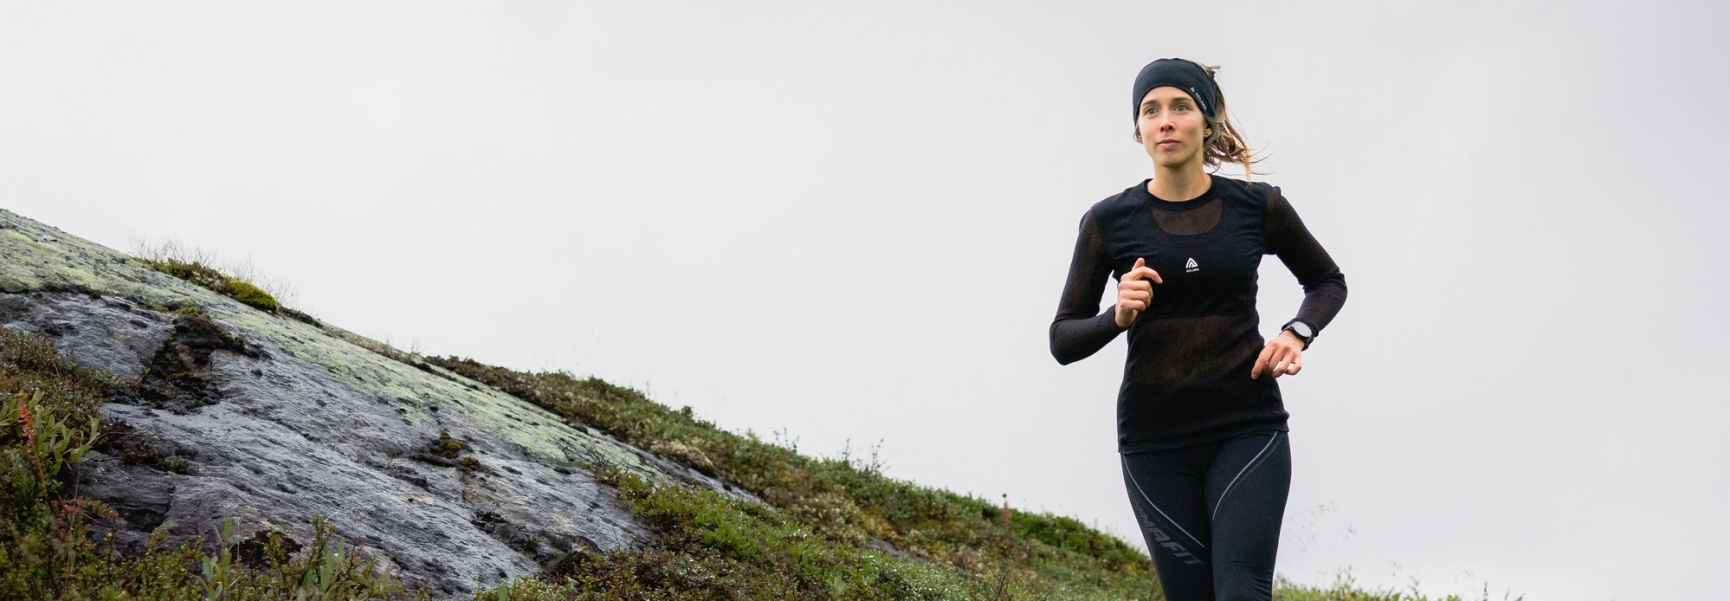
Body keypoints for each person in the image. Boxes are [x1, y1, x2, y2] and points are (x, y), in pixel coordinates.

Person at [1048, 58, 1347, 601]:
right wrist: (1117, 316)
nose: (1165, 120)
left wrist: (1296, 332)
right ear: (1138, 130)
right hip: (1154, 443)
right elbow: (1062, 340)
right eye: (1150, 110)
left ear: (1207, 123)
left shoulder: (1256, 207)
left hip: (1247, 429)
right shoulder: (1108, 222)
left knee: (1240, 593)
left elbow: (1327, 282)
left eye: (1180, 107)